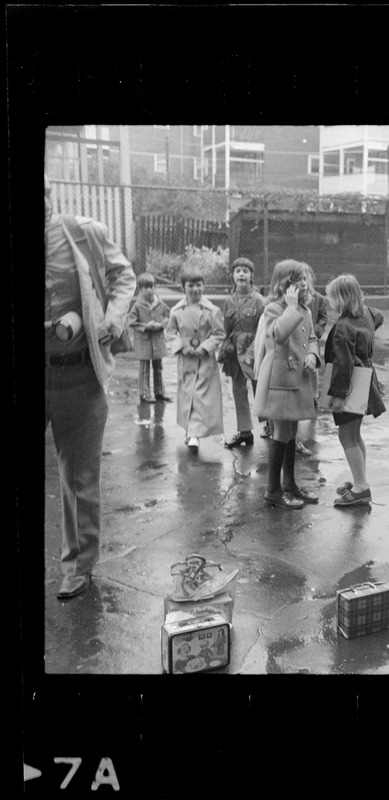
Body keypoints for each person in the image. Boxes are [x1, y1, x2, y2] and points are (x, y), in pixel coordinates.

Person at [44, 173, 136, 599]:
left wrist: (112, 319)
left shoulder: (82, 233)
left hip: (78, 374)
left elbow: (123, 276)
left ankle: (78, 565)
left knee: (79, 477)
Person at [253, 260, 321, 509]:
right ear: (284, 284)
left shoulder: (306, 309)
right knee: (281, 432)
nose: (303, 284)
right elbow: (278, 335)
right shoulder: (273, 308)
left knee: (292, 432)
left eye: (305, 279)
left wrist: (313, 354)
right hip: (279, 380)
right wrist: (291, 308)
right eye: (297, 280)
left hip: (298, 377)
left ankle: (290, 484)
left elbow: (312, 337)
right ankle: (273, 489)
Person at [323, 274, 386, 507]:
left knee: (346, 436)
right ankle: (361, 480)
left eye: (331, 298)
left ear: (340, 299)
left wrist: (337, 396)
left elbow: (342, 364)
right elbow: (379, 316)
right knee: (355, 434)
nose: (329, 303)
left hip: (350, 384)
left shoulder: (342, 326)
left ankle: (360, 488)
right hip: (366, 379)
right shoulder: (367, 314)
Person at [165, 267, 225, 454]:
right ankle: (191, 432)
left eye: (199, 285)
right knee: (187, 395)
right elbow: (170, 332)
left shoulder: (211, 310)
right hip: (186, 360)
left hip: (204, 360)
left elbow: (219, 333)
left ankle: (194, 435)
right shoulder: (176, 310)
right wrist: (181, 346)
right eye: (191, 285)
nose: (195, 289)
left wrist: (204, 347)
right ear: (183, 287)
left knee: (200, 397)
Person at [220, 257, 267, 448]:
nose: (241, 274)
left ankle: (269, 426)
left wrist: (256, 350)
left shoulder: (258, 301)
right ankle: (245, 431)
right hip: (235, 353)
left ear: (251, 277)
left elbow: (263, 328)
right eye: (237, 271)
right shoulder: (229, 301)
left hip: (254, 350)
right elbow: (226, 328)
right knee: (238, 390)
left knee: (261, 389)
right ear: (232, 276)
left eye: (245, 271)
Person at [295, 263, 329, 457]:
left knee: (313, 369)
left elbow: (323, 318)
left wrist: (317, 330)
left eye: (306, 277)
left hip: (311, 339)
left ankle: (313, 397)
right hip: (297, 342)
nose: (304, 282)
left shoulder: (317, 299)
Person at [128, 271, 172, 404]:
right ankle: (144, 393)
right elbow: (131, 322)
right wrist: (145, 326)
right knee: (144, 368)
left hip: (157, 341)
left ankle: (160, 392)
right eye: (146, 287)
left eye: (152, 287)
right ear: (140, 289)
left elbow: (169, 317)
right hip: (144, 342)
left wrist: (161, 325)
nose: (150, 290)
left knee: (158, 367)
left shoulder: (161, 304)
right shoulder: (137, 306)